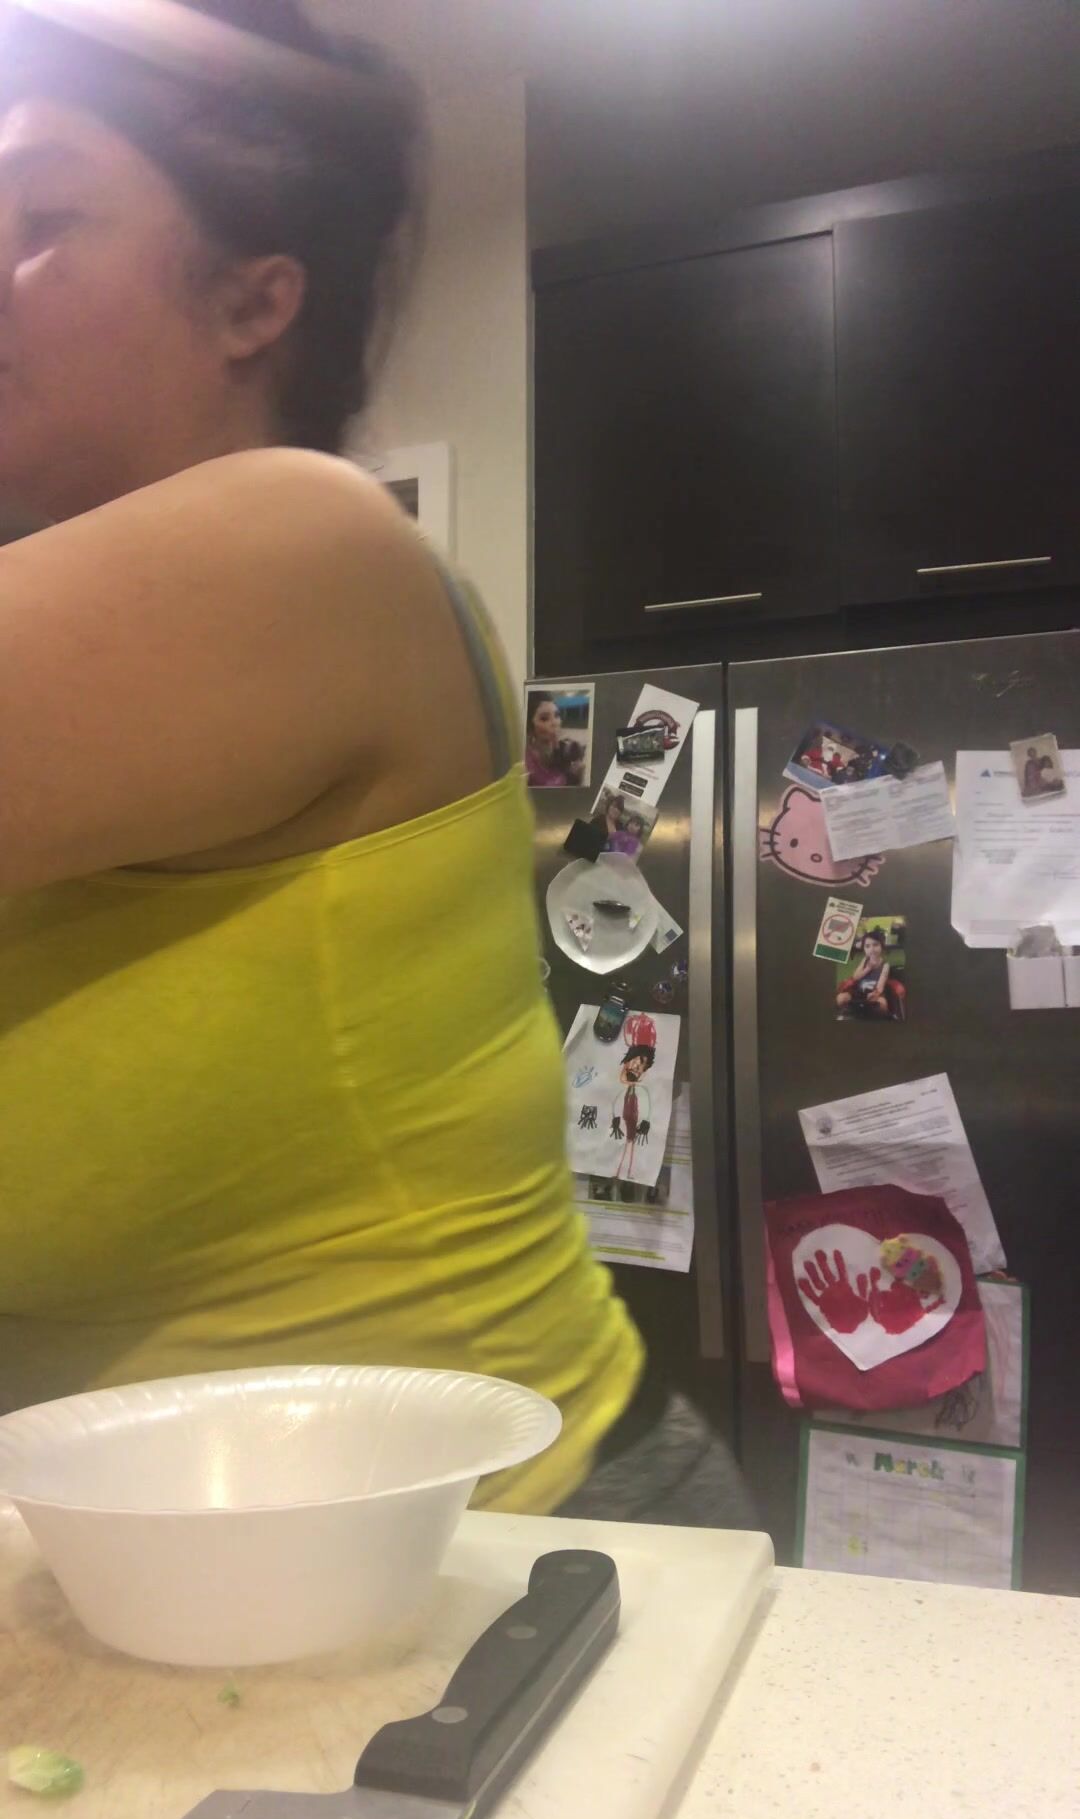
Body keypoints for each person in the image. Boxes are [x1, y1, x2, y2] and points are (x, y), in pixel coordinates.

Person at [0, 0, 754, 1529]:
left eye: (43, 224)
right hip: (186, 1569)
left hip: (511, 1558)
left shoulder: (302, 541)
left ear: (252, 303)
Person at [524, 690, 585, 788]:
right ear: (530, 727)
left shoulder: (564, 749)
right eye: (544, 718)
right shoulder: (527, 765)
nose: (555, 723)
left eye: (557, 715)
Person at [837, 930, 892, 1019]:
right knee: (841, 998)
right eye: (867, 946)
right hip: (859, 992)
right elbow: (855, 977)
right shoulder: (865, 960)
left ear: (882, 946)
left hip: (875, 993)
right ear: (864, 949)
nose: (872, 949)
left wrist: (876, 993)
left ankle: (872, 1019)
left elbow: (881, 985)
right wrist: (868, 968)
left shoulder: (885, 965)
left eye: (875, 945)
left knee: (882, 1004)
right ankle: (846, 1015)